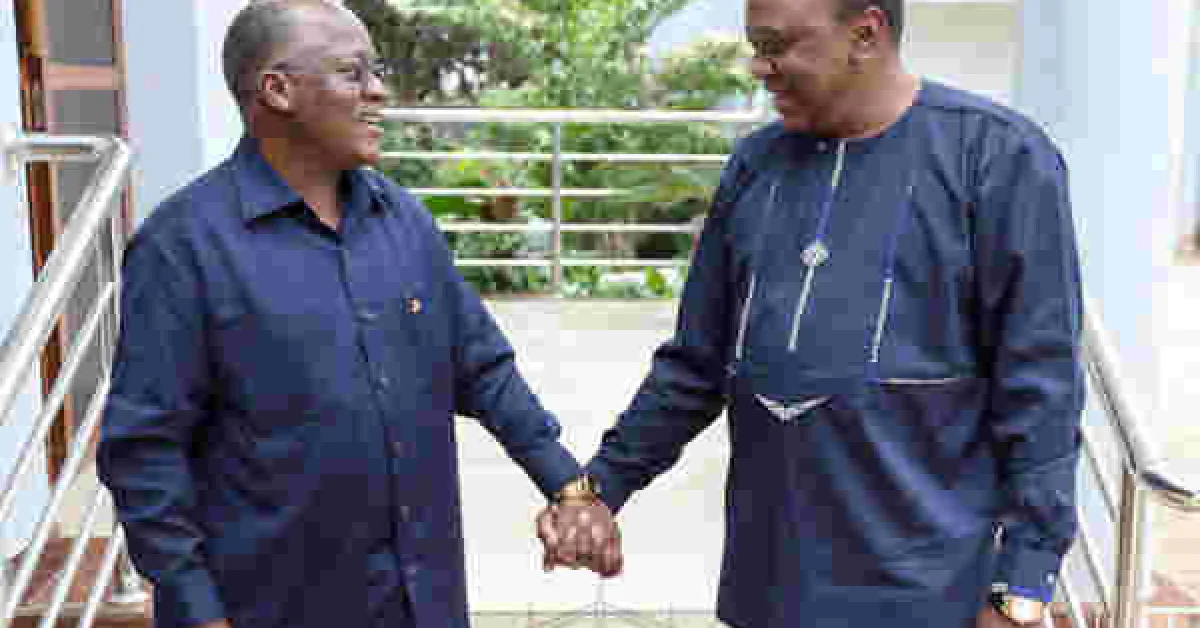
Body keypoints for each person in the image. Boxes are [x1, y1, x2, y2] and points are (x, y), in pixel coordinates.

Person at [538, 0, 1084, 626]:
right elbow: (695, 364)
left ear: (865, 35)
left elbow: (1042, 387)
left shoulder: (996, 157)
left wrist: (1022, 587)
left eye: (776, 46)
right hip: (768, 586)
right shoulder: (756, 166)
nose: (758, 67)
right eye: (754, 46)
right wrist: (598, 490)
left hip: (928, 595)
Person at [97, 2, 616, 628]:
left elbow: (481, 367)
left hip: (422, 602)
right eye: (353, 73)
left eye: (376, 72)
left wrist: (569, 487)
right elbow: (144, 450)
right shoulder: (182, 246)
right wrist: (196, 609)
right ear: (278, 90)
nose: (378, 92)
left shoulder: (404, 221)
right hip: (274, 607)